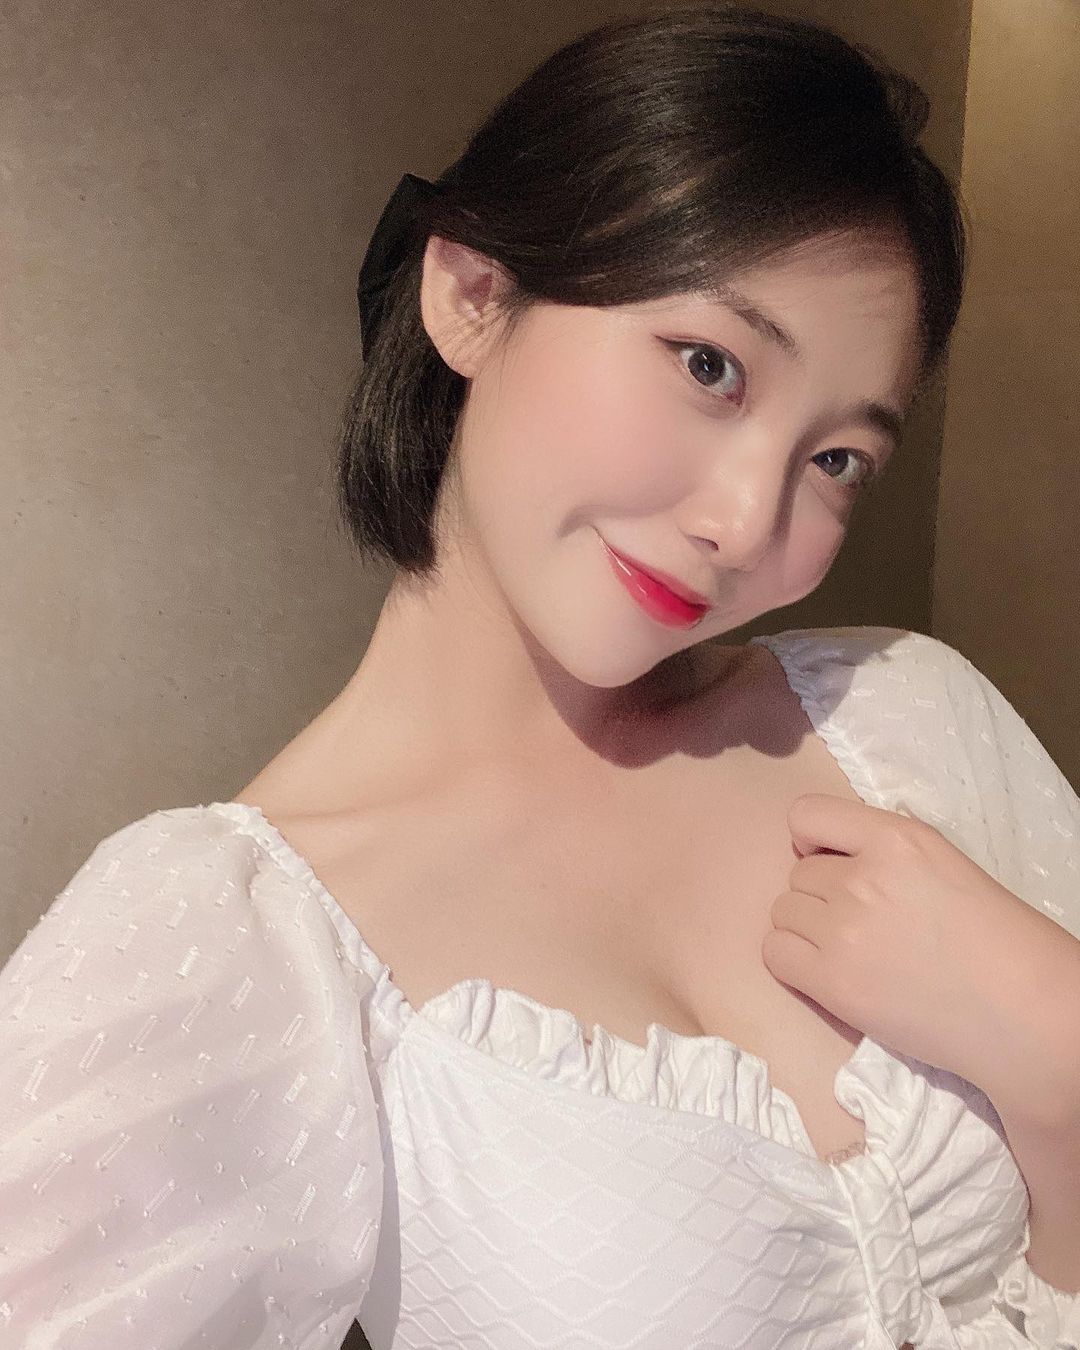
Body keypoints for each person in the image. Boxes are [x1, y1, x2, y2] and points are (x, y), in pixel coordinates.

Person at [2, 4, 1078, 1347]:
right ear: (471, 294)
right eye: (710, 364)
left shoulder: (908, 720)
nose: (747, 523)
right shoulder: (242, 953)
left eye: (838, 458)